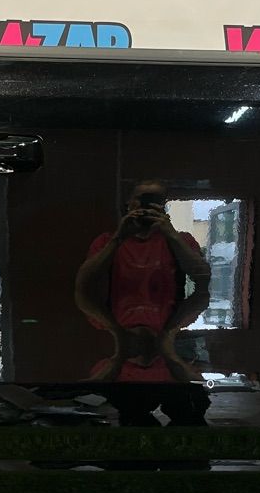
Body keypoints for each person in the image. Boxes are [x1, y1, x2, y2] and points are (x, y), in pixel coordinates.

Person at [75, 180, 212, 426]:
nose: (146, 206)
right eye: (142, 199)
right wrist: (118, 238)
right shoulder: (107, 240)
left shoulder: (180, 239)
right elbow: (84, 283)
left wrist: (170, 233)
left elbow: (202, 279)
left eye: (154, 201)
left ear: (163, 206)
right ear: (129, 203)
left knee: (188, 415)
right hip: (131, 323)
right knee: (134, 420)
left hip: (166, 322)